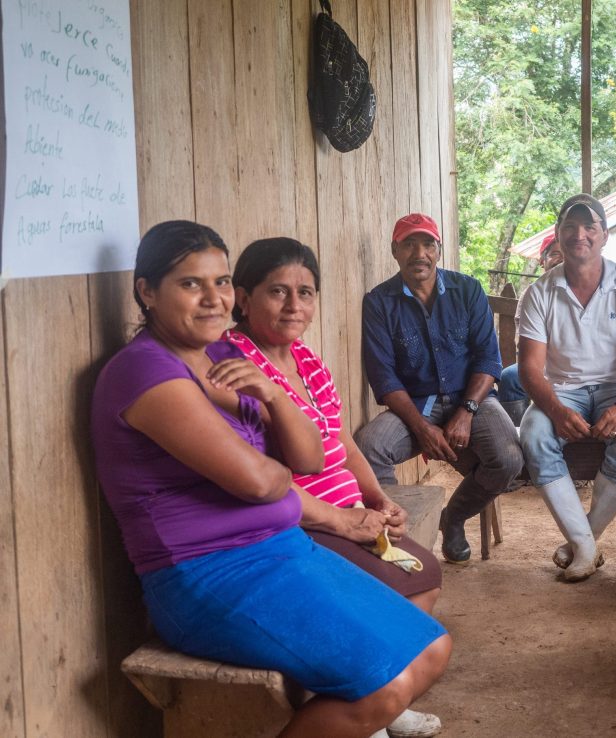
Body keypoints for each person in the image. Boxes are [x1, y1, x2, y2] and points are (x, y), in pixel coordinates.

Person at [91, 220, 450, 738]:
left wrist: (276, 397)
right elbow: (258, 483)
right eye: (190, 284)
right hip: (208, 572)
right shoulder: (144, 371)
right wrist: (271, 469)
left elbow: (307, 457)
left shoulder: (219, 358)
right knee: (384, 684)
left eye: (218, 282)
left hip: (280, 549)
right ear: (147, 292)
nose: (212, 298)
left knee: (432, 647)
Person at [225, 238, 443, 613]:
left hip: (349, 511)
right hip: (300, 523)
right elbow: (251, 471)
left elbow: (343, 444)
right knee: (401, 593)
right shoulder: (234, 364)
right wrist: (341, 519)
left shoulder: (306, 360)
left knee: (425, 575)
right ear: (243, 298)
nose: (295, 306)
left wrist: (379, 500)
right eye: (278, 291)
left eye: (305, 293)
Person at [355, 213, 524, 565]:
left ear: (438, 250)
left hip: (472, 399)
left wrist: (465, 413)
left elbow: (488, 360)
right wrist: (422, 427)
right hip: (416, 406)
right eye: (409, 244)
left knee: (508, 459)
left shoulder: (468, 291)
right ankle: (401, 537)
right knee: (370, 447)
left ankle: (454, 518)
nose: (420, 253)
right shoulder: (379, 302)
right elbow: (383, 377)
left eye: (428, 244)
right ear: (394, 251)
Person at [517, 194, 616, 582]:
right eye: (570, 226)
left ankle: (583, 542)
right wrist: (558, 411)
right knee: (533, 435)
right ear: (558, 236)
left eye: (589, 226)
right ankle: (586, 546)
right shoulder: (540, 292)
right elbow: (531, 369)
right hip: (562, 390)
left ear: (604, 235)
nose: (580, 234)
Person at [499, 231, 566, 425]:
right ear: (542, 261)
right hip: (542, 362)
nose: (560, 259)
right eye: (554, 253)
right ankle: (517, 433)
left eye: (565, 253)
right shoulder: (533, 294)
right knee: (510, 377)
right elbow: (523, 343)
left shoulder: (584, 289)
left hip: (578, 364)